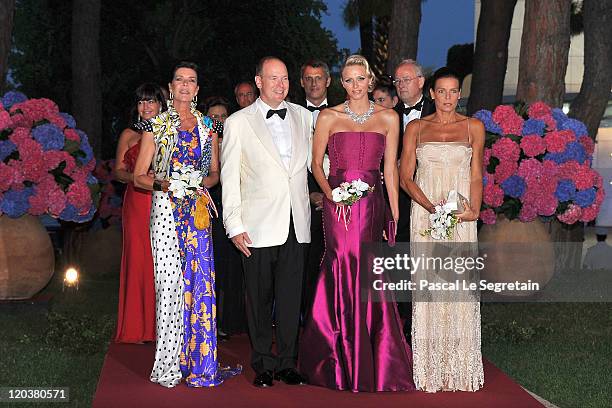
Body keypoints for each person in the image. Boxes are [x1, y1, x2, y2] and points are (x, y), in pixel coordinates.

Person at [299, 54, 414, 392]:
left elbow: (389, 170)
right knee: (341, 263)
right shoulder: (328, 116)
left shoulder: (389, 118)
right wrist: (330, 194)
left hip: (373, 204)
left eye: (359, 79)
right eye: (348, 80)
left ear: (370, 80)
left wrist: (394, 213)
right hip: (339, 206)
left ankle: (375, 358)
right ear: (342, 82)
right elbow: (315, 164)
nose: (354, 85)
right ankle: (336, 355)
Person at [133, 61, 241, 388]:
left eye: (190, 81)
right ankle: (169, 364)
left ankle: (201, 363)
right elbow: (139, 177)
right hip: (166, 212)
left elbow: (214, 174)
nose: (184, 85)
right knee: (170, 288)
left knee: (200, 286)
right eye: (179, 80)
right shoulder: (157, 126)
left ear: (197, 89)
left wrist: (195, 183)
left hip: (197, 213)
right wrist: (167, 185)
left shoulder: (208, 127)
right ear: (171, 87)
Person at [221, 56, 312, 388]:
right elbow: (229, 178)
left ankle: (288, 363)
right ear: (259, 81)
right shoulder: (238, 122)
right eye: (274, 78)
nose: (281, 84)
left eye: (285, 78)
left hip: (296, 222)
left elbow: (318, 164)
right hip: (256, 225)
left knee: (290, 299)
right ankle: (262, 362)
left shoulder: (303, 117)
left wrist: (348, 184)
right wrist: (233, 225)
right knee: (258, 299)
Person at [399, 67, 485, 392]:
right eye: (442, 91)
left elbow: (476, 174)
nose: (447, 98)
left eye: (453, 92)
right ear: (432, 94)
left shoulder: (473, 127)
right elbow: (406, 177)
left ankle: (461, 367)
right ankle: (431, 368)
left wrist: (473, 210)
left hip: (461, 215)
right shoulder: (416, 129)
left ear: (459, 94)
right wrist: (431, 208)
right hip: (425, 215)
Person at [113, 83, 166, 344]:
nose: (145, 107)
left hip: (165, 201)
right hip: (137, 201)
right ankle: (137, 327)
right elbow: (118, 171)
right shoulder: (129, 134)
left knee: (161, 261)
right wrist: (137, 178)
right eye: (141, 102)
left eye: (151, 101)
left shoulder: (170, 130)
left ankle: (162, 326)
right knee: (138, 259)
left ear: (160, 104)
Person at [204, 96, 247, 339]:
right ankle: (212, 321)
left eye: (223, 116)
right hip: (209, 209)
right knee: (215, 266)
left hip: (234, 209)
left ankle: (233, 320)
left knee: (234, 267)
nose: (219, 121)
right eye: (214, 117)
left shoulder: (237, 138)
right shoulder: (202, 141)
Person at [300, 59, 332, 318]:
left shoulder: (342, 113)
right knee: (306, 266)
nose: (313, 83)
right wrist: (310, 192)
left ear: (328, 81)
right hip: (302, 202)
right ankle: (308, 320)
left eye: (318, 77)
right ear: (302, 82)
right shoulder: (292, 114)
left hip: (339, 199)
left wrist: (334, 193)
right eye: (308, 78)